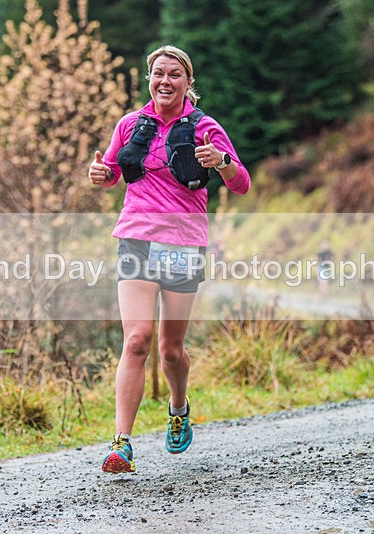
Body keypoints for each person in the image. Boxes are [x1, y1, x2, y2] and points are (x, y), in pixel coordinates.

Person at [88, 45, 250, 473]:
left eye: (174, 74)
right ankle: (121, 444)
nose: (165, 81)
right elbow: (111, 172)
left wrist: (222, 162)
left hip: (183, 244)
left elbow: (242, 184)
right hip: (136, 239)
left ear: (188, 82)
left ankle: (179, 409)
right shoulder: (130, 125)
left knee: (171, 351)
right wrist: (100, 174)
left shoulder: (205, 128)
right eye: (158, 73)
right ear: (149, 79)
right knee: (136, 340)